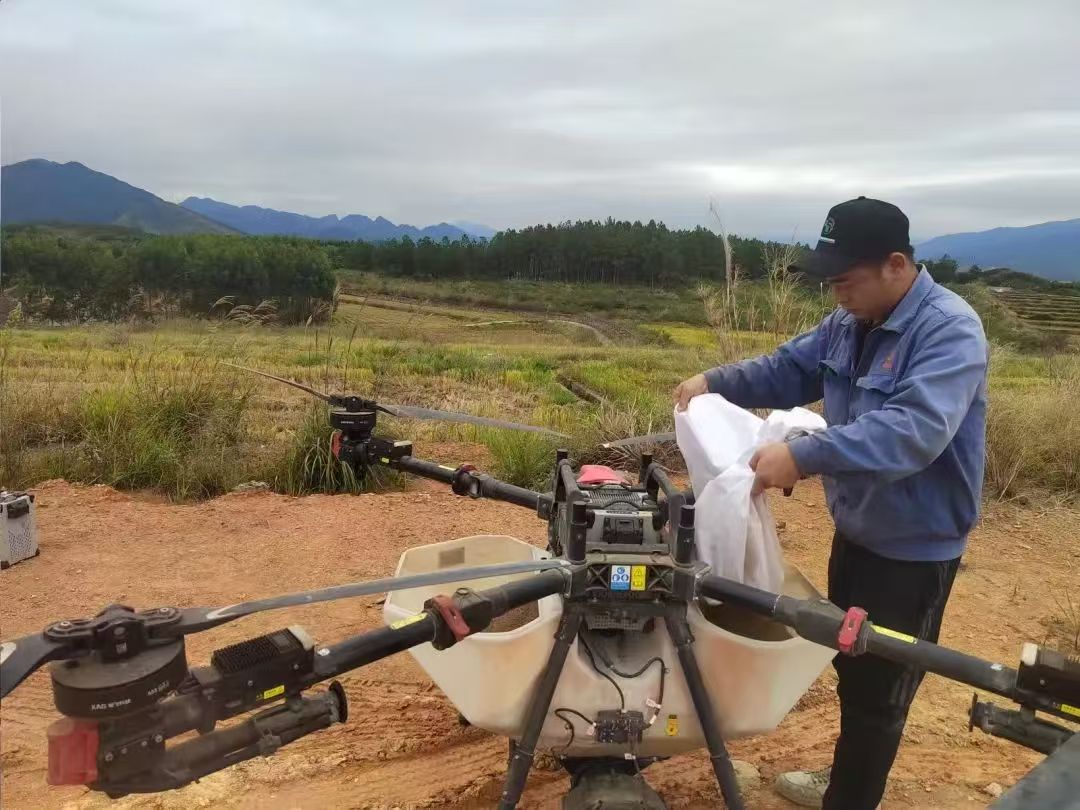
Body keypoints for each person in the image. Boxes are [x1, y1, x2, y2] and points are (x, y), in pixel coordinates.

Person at [673, 197, 988, 810]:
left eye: (845, 279)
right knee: (851, 659)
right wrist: (715, 381)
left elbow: (914, 430)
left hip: (914, 548)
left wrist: (805, 455)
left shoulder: (949, 330)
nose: (835, 292)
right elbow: (790, 367)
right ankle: (847, 779)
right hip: (860, 530)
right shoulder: (850, 323)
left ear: (896, 265)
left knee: (882, 687)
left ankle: (850, 798)